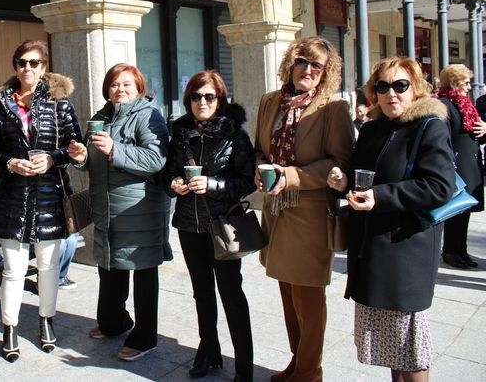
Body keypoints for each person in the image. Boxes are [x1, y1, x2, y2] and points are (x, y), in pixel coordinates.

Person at [327, 56, 457, 381]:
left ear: (416, 89)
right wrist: (342, 181)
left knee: (410, 350)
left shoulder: (428, 127)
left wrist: (380, 197)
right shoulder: (371, 129)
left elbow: (440, 186)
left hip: (405, 252)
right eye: (383, 87)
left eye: (401, 85)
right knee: (389, 347)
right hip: (372, 250)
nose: (391, 94)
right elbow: (360, 176)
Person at [253, 36, 354, 382]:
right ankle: (298, 361)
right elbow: (259, 150)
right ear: (290, 64)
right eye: (301, 62)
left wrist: (291, 176)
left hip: (309, 212)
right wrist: (260, 168)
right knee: (286, 292)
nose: (307, 70)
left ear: (326, 72)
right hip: (275, 211)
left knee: (308, 297)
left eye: (315, 65)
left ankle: (311, 370)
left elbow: (339, 164)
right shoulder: (270, 102)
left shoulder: (333, 108)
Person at [0, 40, 82, 362]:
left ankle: (46, 321)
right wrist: (9, 163)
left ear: (44, 67)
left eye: (35, 63)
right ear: (15, 65)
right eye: (23, 62)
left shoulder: (59, 102)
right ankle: (9, 327)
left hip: (49, 194)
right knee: (13, 269)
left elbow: (72, 146)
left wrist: (53, 159)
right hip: (12, 194)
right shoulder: (2, 103)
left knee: (48, 265)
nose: (28, 68)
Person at [67, 63, 170, 362]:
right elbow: (92, 163)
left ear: (139, 88)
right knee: (110, 266)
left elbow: (156, 158)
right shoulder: (100, 118)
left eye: (127, 84)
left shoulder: (149, 116)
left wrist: (115, 149)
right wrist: (82, 156)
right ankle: (114, 323)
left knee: (143, 272)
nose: (120, 89)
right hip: (107, 207)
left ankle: (145, 337)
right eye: (114, 84)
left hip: (140, 209)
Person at [161, 70, 256, 380]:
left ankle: (244, 366)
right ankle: (208, 350)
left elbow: (246, 181)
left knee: (231, 294)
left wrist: (212, 185)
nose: (202, 102)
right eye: (195, 96)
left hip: (222, 226)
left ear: (220, 100)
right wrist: (174, 183)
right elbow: (165, 173)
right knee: (202, 292)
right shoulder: (179, 132)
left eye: (209, 97)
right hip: (189, 224)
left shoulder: (235, 135)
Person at [436, 64, 486, 269]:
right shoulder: (445, 104)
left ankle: (460, 249)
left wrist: (484, 129)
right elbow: (442, 137)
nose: (468, 86)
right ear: (454, 82)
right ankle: (450, 251)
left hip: (471, 163)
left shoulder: (466, 104)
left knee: (465, 210)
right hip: (457, 165)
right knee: (455, 210)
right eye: (465, 82)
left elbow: (474, 135)